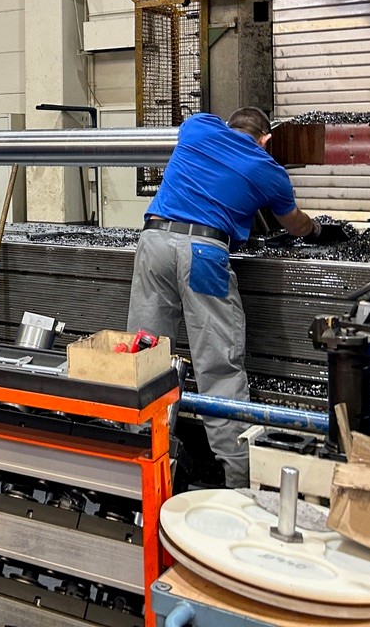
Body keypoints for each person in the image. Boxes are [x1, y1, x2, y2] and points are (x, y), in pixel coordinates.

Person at [126, 107, 344, 488]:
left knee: (146, 358)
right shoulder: (268, 170)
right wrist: (318, 230)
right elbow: (293, 223)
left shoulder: (198, 127)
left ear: (228, 124)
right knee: (219, 370)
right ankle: (239, 481)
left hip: (153, 242)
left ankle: (137, 461)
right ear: (266, 140)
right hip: (204, 254)